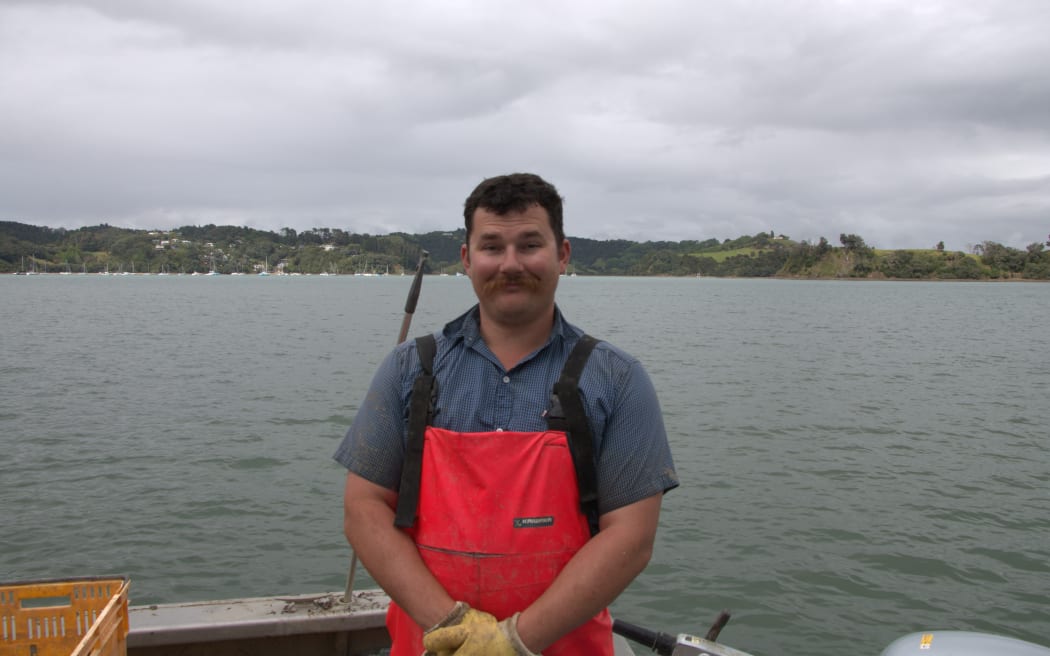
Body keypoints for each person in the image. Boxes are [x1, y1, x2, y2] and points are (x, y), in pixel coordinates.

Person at [334, 172, 678, 655]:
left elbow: (632, 537)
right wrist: (454, 627)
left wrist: (515, 642)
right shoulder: (409, 369)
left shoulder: (616, 379)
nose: (510, 264)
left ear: (562, 254)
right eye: (492, 246)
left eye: (530, 244)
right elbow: (364, 509)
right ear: (467, 258)